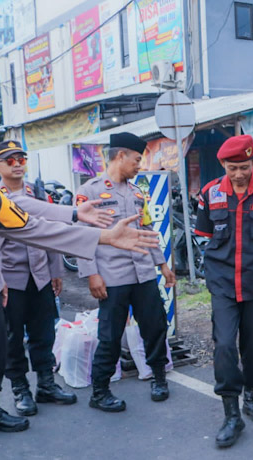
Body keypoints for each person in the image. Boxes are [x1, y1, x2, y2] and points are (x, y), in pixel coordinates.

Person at [0, 87, 159, 455]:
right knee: (2, 351)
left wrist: (78, 217)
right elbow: (28, 223)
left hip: (17, 281)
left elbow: (25, 214)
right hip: (1, 281)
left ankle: (4, 402)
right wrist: (102, 237)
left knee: (16, 346)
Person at [193, 135, 253, 448]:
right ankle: (231, 412)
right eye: (233, 167)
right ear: (223, 165)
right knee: (224, 345)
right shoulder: (209, 193)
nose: (239, 173)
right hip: (222, 283)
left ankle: (252, 397)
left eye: (245, 167)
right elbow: (205, 233)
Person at [76, 132, 176, 413]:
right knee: (109, 335)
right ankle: (100, 390)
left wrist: (163, 265)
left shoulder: (136, 192)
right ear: (120, 156)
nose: (139, 165)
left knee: (155, 327)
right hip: (112, 276)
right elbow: (82, 235)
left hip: (143, 273)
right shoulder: (90, 191)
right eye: (136, 159)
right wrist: (91, 274)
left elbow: (146, 230)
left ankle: (158, 377)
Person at [0, 141, 77, 417]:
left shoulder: (36, 192)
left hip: (40, 276)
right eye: (10, 160)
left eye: (21, 159)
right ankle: (20, 389)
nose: (17, 164)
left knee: (44, 333)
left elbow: (49, 232)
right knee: (12, 337)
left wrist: (56, 272)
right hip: (10, 280)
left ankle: (46, 385)